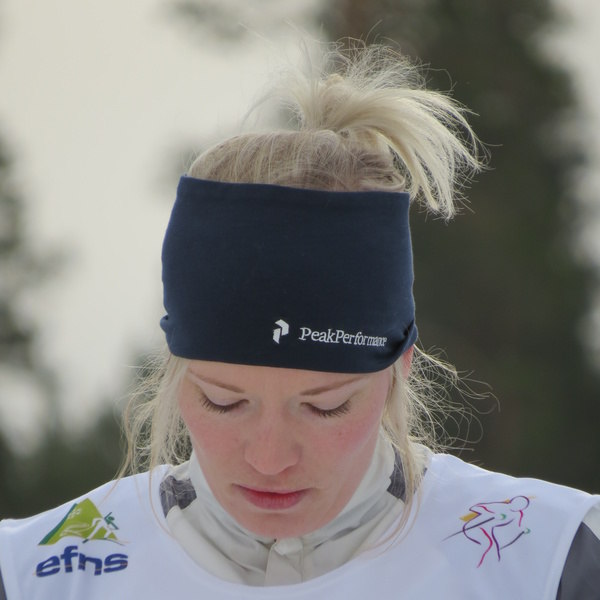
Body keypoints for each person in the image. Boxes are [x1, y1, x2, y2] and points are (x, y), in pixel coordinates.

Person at [0, 41, 598, 599]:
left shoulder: (550, 563)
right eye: (223, 402)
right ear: (176, 374)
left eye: (325, 407)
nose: (269, 459)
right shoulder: (32, 575)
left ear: (400, 368)